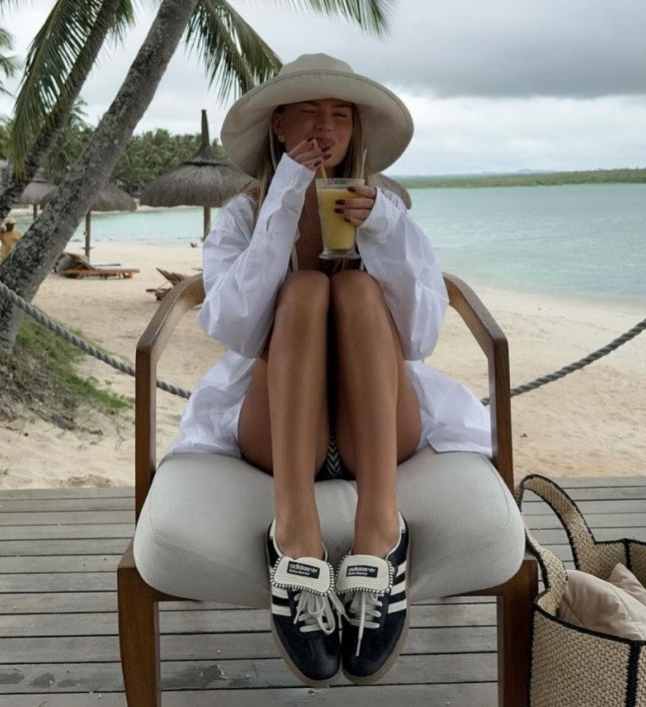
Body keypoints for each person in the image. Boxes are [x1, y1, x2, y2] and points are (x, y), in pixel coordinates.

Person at [174, 54, 491, 687]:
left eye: (340, 115)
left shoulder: (384, 208)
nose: (325, 127)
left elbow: (420, 337)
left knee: (354, 291)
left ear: (355, 128)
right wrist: (285, 199)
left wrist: (383, 231)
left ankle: (380, 531)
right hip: (280, 431)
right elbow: (235, 327)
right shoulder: (243, 217)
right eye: (309, 113)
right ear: (279, 125)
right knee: (305, 292)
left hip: (375, 428)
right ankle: (295, 534)